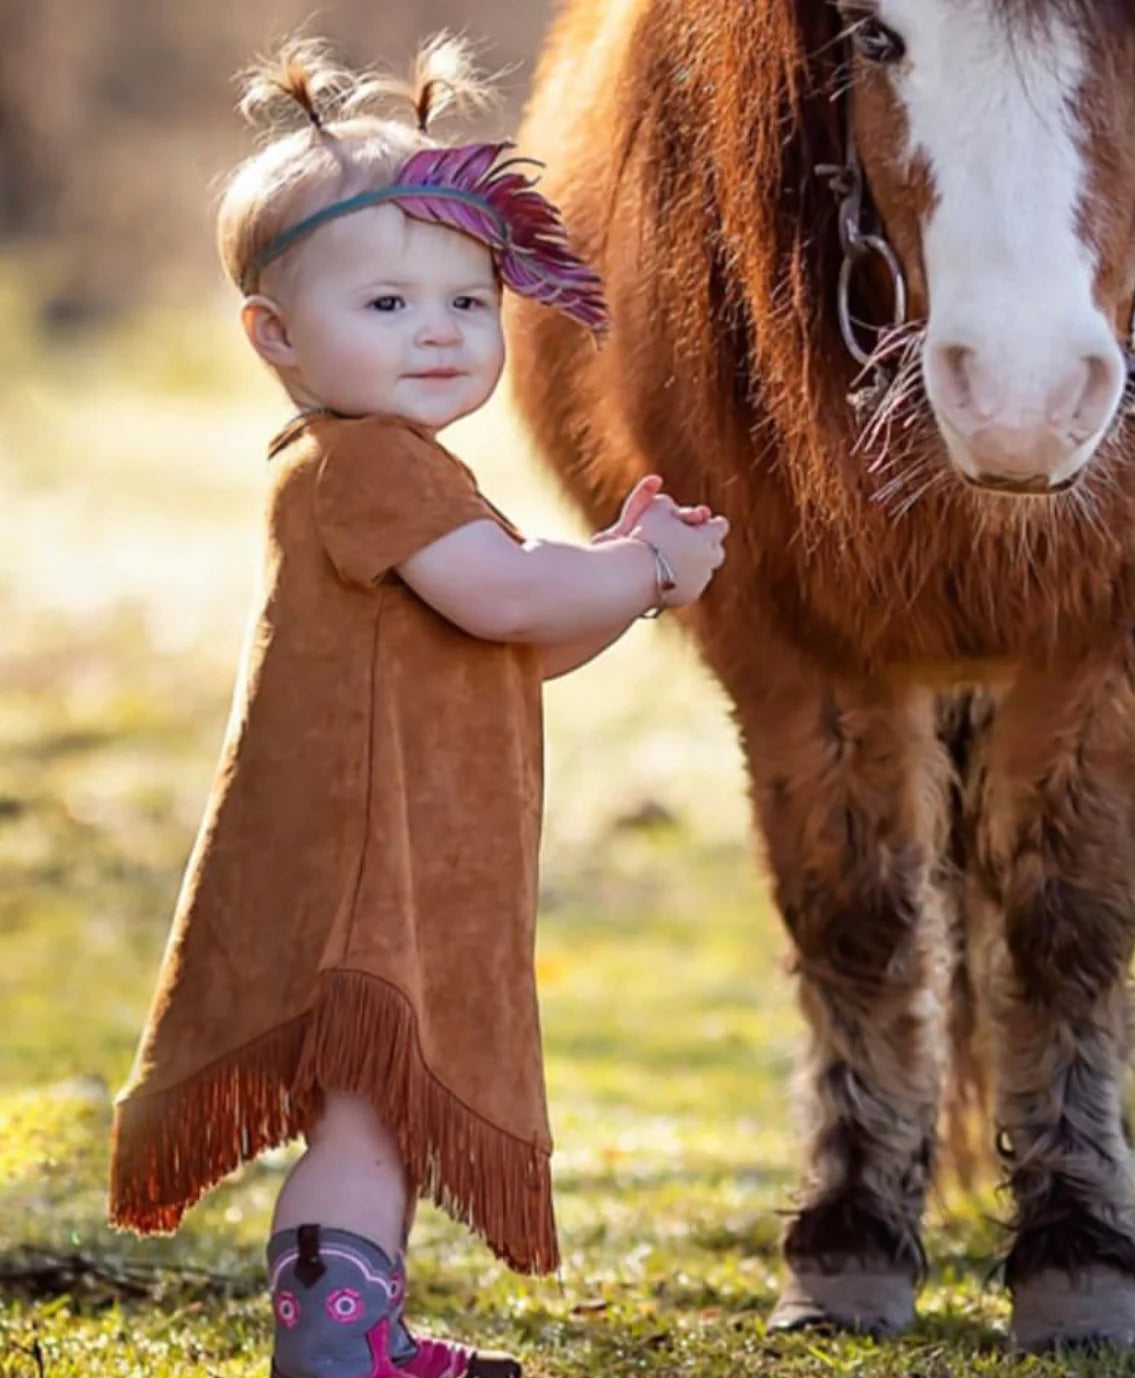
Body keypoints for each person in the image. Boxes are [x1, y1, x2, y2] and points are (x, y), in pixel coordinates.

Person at [108, 34, 728, 1378]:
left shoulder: (402, 477)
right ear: (275, 334)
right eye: (387, 306)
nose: (441, 331)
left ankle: (359, 1327)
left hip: (387, 863)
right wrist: (643, 567)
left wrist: (623, 589)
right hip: (360, 878)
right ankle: (336, 1346)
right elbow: (506, 602)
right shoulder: (369, 469)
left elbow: (495, 654)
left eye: (467, 299)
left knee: (368, 1111)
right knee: (371, 1115)